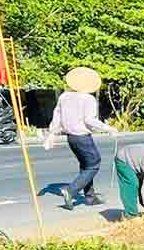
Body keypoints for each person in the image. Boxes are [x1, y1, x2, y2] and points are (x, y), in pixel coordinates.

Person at [46, 66, 118, 210]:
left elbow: (57, 116)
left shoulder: (64, 96)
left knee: (85, 165)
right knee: (94, 164)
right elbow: (89, 120)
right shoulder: (88, 99)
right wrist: (109, 129)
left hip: (71, 138)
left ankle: (90, 197)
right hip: (82, 137)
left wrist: (52, 133)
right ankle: (71, 190)